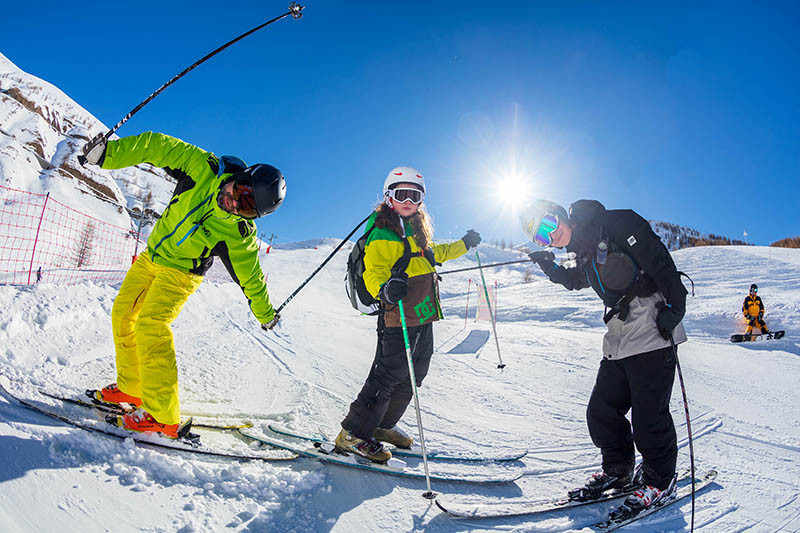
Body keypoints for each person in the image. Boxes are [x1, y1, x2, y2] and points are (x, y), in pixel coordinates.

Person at [80, 131, 285, 439]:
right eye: (241, 190)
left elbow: (251, 277)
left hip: (181, 274)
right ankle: (133, 389)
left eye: (245, 207)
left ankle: (162, 416)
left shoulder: (237, 234)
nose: (233, 202)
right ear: (241, 175)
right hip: (152, 257)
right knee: (123, 314)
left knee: (151, 325)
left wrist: (265, 313)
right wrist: (109, 154)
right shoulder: (202, 167)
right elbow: (156, 145)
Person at [524, 198, 687, 515]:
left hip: (652, 327)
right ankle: (619, 469)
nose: (549, 236)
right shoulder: (585, 253)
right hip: (619, 333)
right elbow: (576, 281)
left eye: (547, 226)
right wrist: (549, 266)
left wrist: (676, 307)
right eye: (540, 237)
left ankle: (660, 479)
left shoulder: (614, 224)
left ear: (559, 215)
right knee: (601, 410)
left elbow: (659, 260)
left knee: (648, 417)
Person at [335, 166, 481, 462]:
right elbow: (373, 272)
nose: (408, 201)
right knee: (387, 374)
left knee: (414, 371)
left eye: (415, 196)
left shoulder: (417, 230)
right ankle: (352, 434)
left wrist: (464, 245)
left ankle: (383, 426)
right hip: (397, 312)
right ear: (389, 196)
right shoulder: (382, 232)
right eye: (401, 194)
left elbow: (436, 253)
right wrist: (385, 289)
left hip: (423, 311)